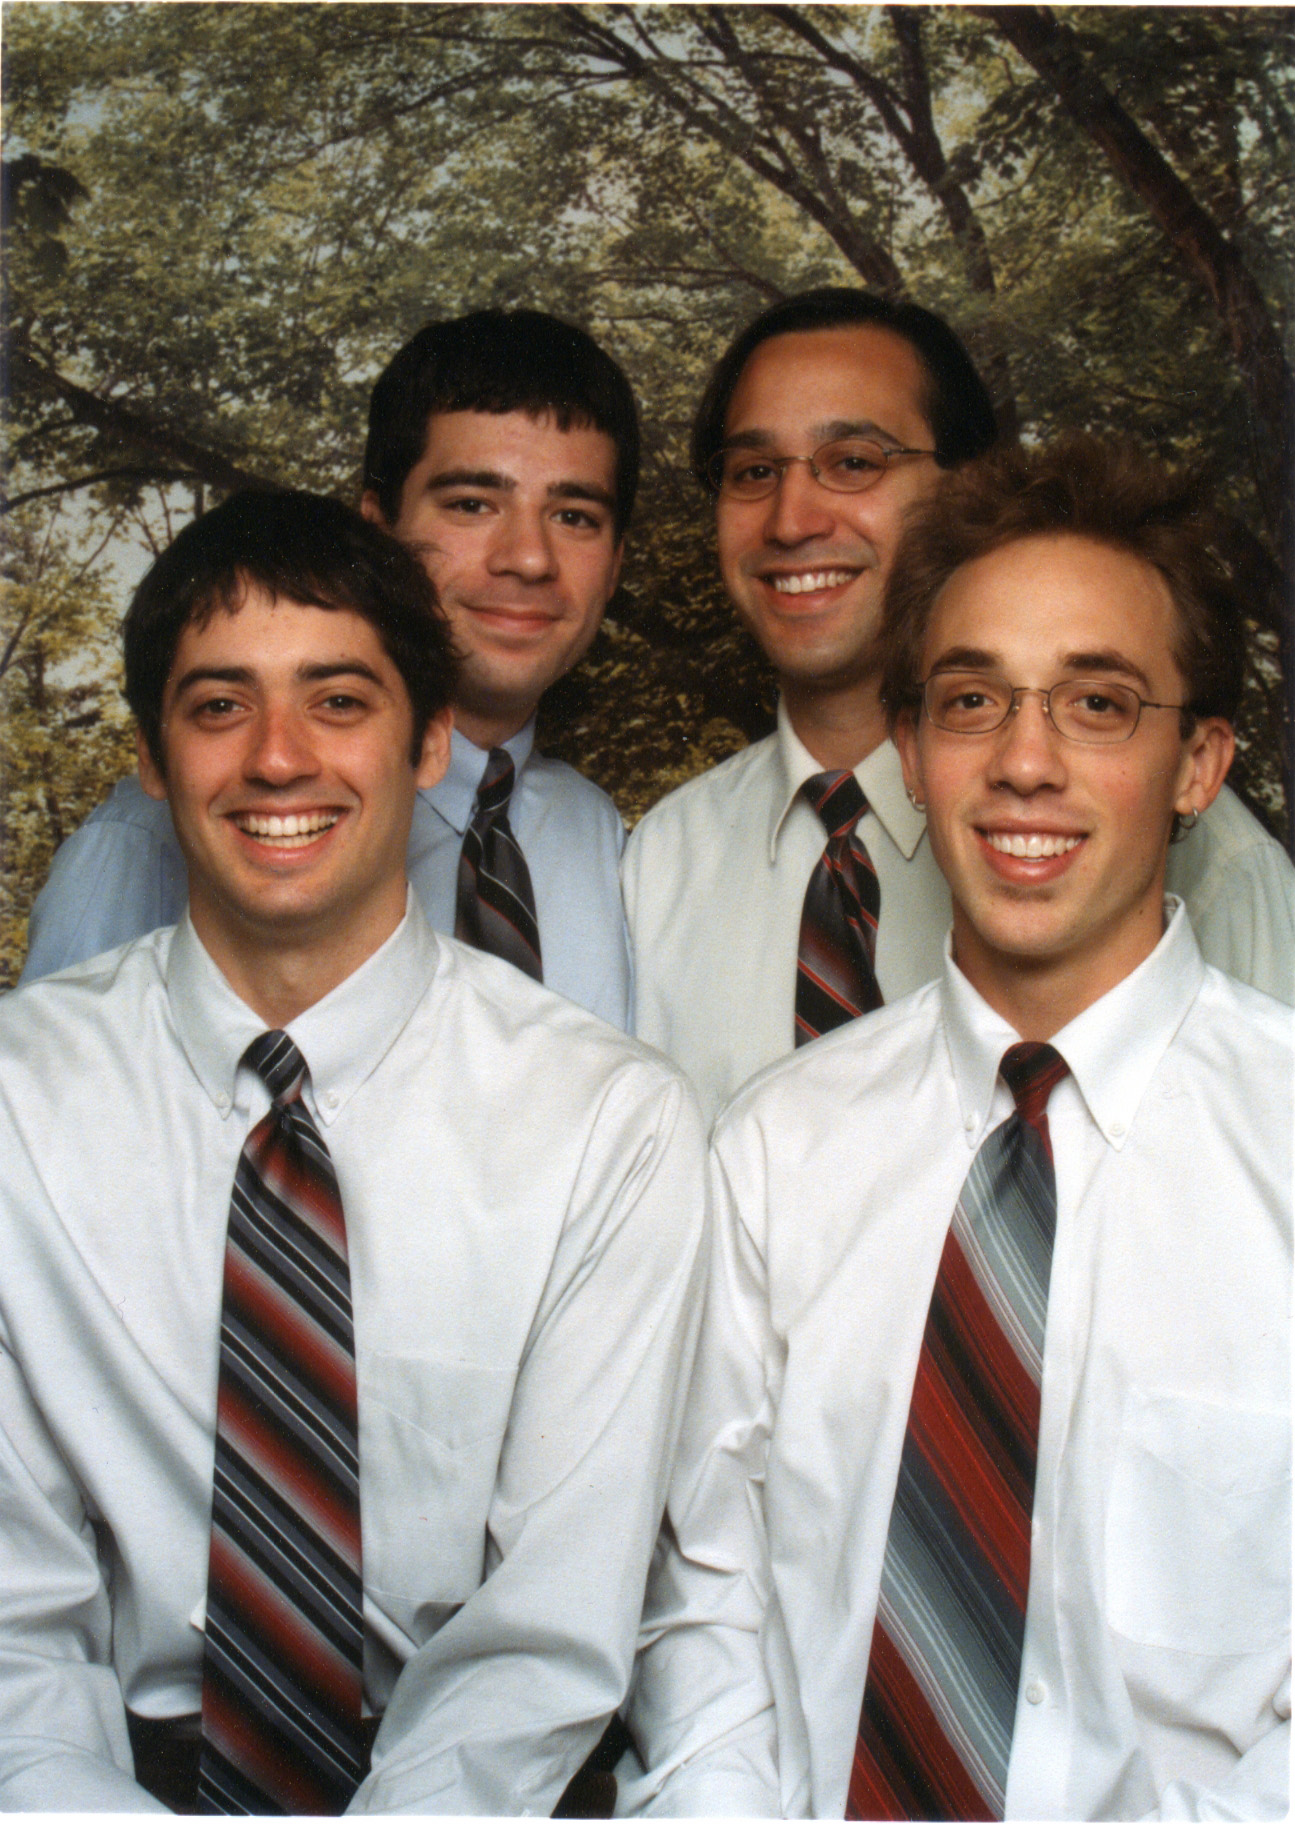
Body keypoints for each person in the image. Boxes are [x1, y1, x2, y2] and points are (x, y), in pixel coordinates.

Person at [0, 490, 706, 1814]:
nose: (278, 759)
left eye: (337, 701)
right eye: (218, 707)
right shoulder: (13, 1107)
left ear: (430, 738)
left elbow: (545, 1638)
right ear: (151, 757)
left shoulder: (608, 1125)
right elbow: (9, 1631)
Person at [621, 437, 1290, 1820]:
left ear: (1195, 764)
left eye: (1096, 704)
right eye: (973, 699)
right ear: (912, 752)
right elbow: (705, 1605)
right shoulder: (774, 1149)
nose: (1024, 763)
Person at [622, 289, 1295, 1120]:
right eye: (754, 472)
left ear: (965, 487)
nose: (791, 520)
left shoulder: (1199, 855)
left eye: (854, 462)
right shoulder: (663, 860)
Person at [21, 308, 638, 1030]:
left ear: (616, 561)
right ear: (377, 532)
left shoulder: (601, 837)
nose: (528, 558)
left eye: (574, 517)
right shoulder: (146, 847)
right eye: (471, 504)